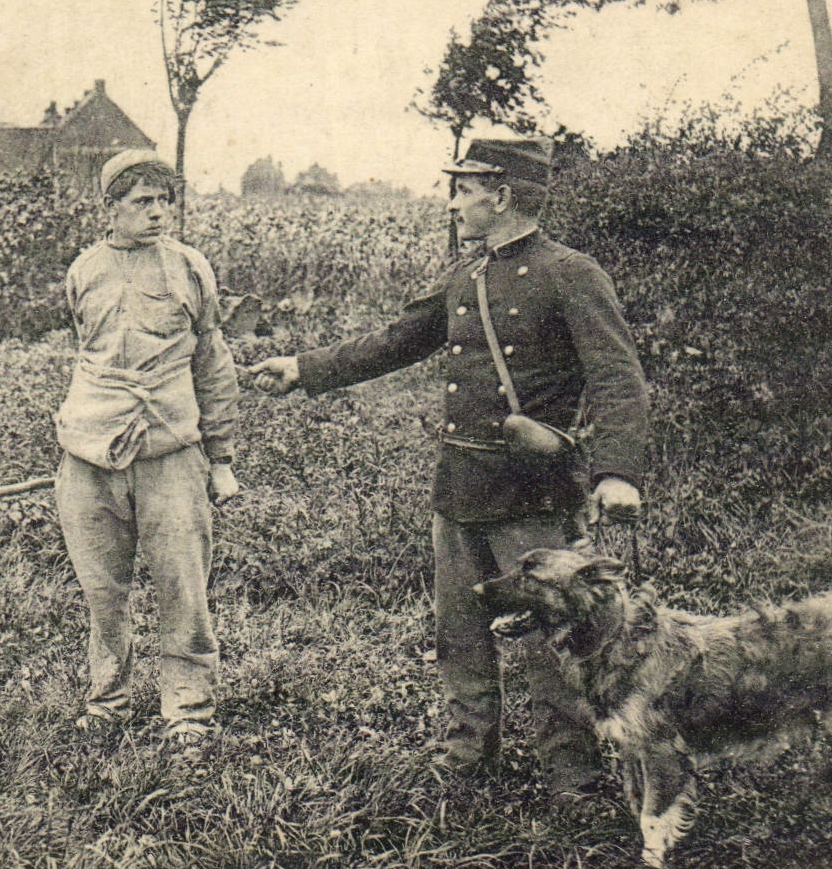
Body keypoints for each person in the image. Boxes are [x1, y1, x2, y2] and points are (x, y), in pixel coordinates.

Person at [249, 137, 649, 799]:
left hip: (533, 492)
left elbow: (617, 377)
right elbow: (396, 339)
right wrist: (304, 368)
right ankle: (468, 760)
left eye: (464, 188)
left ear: (503, 195)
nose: (454, 200)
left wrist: (616, 472)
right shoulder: (465, 274)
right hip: (459, 483)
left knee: (550, 637)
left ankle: (571, 776)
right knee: (459, 632)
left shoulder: (570, 272)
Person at [55, 149, 242, 744]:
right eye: (142, 202)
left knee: (182, 586)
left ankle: (188, 713)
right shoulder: (84, 269)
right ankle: (106, 698)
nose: (159, 213)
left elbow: (212, 363)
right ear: (110, 209)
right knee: (102, 588)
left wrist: (222, 460)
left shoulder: (190, 268)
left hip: (170, 452)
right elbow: (87, 350)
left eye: (165, 200)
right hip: (89, 454)